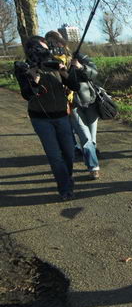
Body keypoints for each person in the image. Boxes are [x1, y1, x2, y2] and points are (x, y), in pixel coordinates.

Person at [14, 35, 80, 200]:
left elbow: (75, 86)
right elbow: (27, 95)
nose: (44, 52)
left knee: (69, 153)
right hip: (40, 119)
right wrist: (34, 80)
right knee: (54, 156)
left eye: (45, 49)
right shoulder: (23, 67)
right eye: (40, 49)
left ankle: (67, 177)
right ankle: (65, 188)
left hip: (62, 115)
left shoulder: (55, 62)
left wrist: (64, 72)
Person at [45, 31, 101, 180]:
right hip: (72, 104)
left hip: (89, 100)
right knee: (85, 137)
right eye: (50, 42)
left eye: (56, 41)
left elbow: (95, 73)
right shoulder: (48, 62)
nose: (54, 45)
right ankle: (93, 166)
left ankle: (90, 156)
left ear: (62, 42)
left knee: (92, 138)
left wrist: (80, 67)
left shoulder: (77, 56)